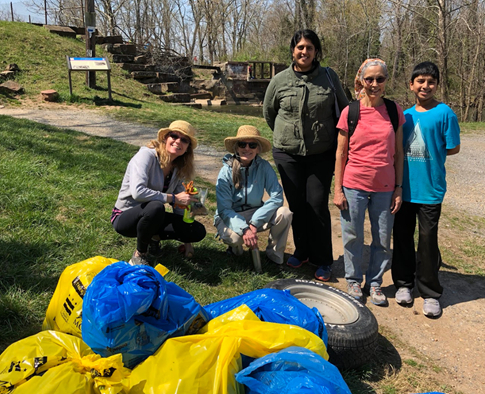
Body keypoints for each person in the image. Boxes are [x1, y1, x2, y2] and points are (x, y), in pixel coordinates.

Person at [263, 29, 349, 281]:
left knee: (317, 205)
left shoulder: (329, 78)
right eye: (300, 47)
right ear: (292, 50)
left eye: (309, 47)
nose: (304, 51)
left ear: (316, 52)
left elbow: (344, 111)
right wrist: (286, 135)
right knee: (297, 205)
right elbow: (270, 113)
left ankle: (323, 259)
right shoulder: (279, 80)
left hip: (321, 154)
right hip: (287, 154)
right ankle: (302, 251)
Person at [333, 58, 405, 306]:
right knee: (352, 236)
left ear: (386, 81)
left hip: (385, 188)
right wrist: (338, 190)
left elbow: (398, 153)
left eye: (380, 79)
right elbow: (341, 154)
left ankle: (374, 283)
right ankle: (353, 279)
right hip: (353, 186)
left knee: (382, 239)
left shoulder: (394, 111)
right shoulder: (350, 112)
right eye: (369, 79)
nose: (374, 84)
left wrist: (398, 188)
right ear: (361, 81)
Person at [392, 61, 460, 317]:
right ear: (411, 85)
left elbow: (453, 147)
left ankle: (430, 292)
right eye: (420, 81)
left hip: (431, 189)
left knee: (428, 241)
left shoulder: (445, 113)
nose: (425, 86)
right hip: (404, 189)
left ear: (437, 85)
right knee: (402, 238)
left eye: (431, 81)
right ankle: (404, 284)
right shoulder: (405, 115)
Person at [111, 120, 206, 266]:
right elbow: (138, 193)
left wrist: (188, 240)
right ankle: (139, 255)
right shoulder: (146, 156)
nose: (178, 141)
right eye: (174, 136)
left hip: (152, 216)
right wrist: (173, 198)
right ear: (165, 138)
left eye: (184, 140)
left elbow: (180, 206)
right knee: (156, 206)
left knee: (197, 231)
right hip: (125, 216)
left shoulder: (178, 167)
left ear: (187, 148)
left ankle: (154, 239)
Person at [214, 125, 293, 265]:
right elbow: (224, 209)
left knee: (285, 213)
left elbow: (277, 197)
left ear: (258, 149)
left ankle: (274, 256)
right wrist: (244, 228)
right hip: (231, 213)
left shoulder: (264, 167)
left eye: (252, 145)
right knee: (234, 238)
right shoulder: (225, 172)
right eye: (242, 144)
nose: (247, 148)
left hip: (256, 212)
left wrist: (254, 222)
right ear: (236, 148)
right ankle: (235, 249)